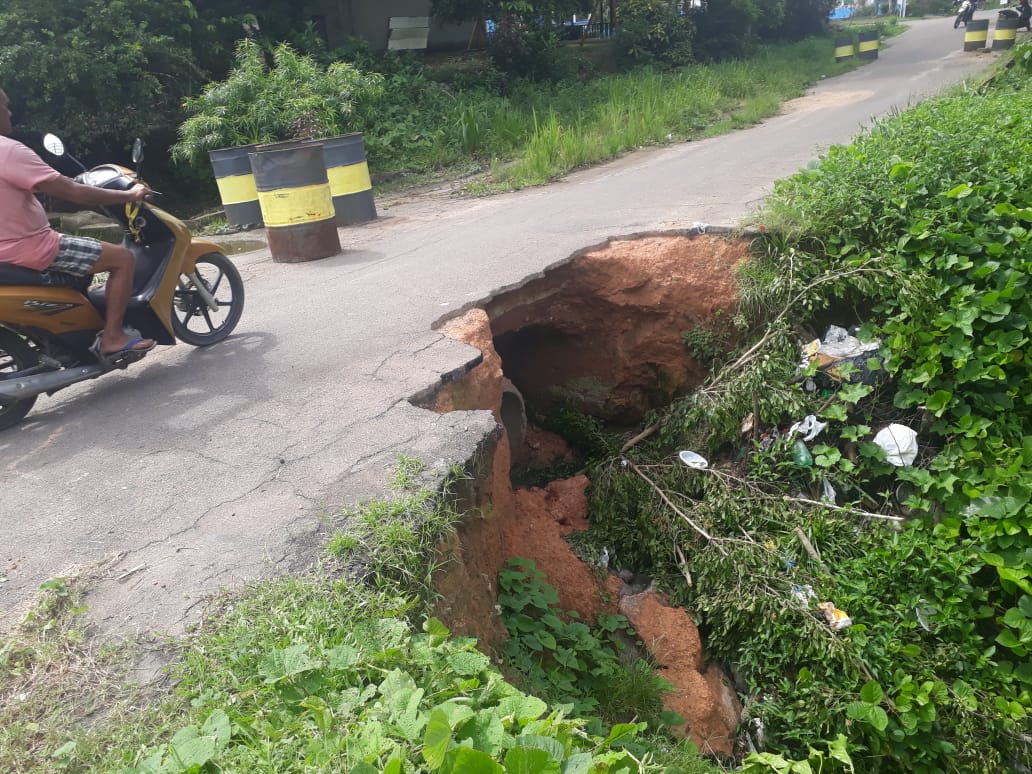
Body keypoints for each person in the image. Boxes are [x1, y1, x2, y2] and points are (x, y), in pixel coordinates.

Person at [0, 88, 155, 362]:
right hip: (33, 247)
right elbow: (74, 192)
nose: (9, 112)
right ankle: (113, 337)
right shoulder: (9, 152)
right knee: (122, 258)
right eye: (5, 105)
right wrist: (129, 195)